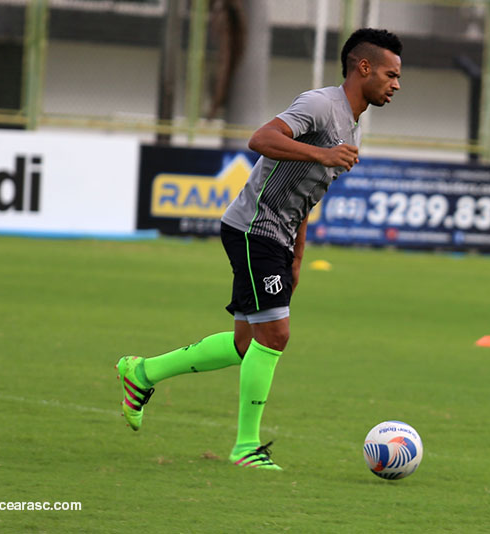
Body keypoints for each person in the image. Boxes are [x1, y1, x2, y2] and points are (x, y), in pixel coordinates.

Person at [116, 28, 403, 470]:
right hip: (254, 228)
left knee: (246, 343)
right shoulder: (320, 105)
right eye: (391, 73)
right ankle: (245, 447)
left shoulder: (352, 126)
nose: (396, 84)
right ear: (363, 67)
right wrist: (322, 155)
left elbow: (304, 198)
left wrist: (298, 257)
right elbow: (261, 139)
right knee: (276, 335)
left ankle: (142, 373)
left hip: (277, 238)